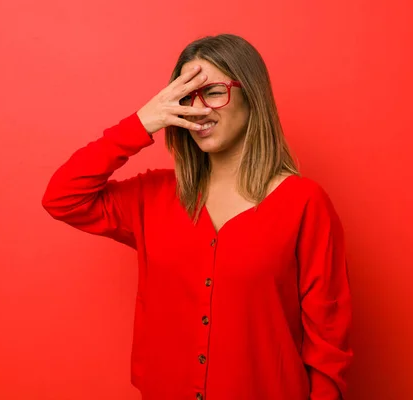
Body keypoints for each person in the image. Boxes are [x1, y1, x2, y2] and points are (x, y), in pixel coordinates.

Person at [42, 33, 352, 400]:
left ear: (252, 95)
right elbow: (63, 197)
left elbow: (328, 342)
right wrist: (142, 122)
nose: (199, 108)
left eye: (214, 92)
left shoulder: (304, 202)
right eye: (185, 97)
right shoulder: (152, 197)